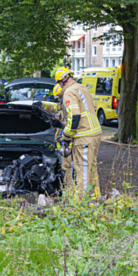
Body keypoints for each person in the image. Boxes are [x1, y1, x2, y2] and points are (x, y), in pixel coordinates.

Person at [54, 67, 101, 199]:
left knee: (83, 170)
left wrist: (66, 136)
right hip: (94, 133)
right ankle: (95, 198)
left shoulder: (69, 92)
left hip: (84, 135)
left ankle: (82, 205)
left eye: (58, 83)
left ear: (62, 80)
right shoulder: (82, 88)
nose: (58, 86)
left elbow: (75, 116)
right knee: (92, 168)